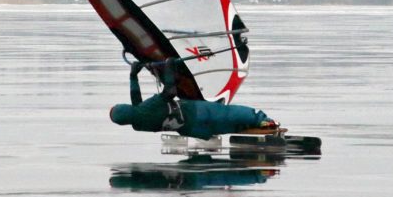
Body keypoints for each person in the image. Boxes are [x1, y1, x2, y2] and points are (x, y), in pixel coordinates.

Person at [109, 58, 280, 140]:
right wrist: (169, 67)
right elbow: (170, 91)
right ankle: (263, 121)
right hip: (197, 112)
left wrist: (134, 77)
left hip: (194, 130)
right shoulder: (145, 108)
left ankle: (257, 171)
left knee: (226, 126)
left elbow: (136, 104)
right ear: (125, 108)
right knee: (229, 113)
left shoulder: (138, 125)